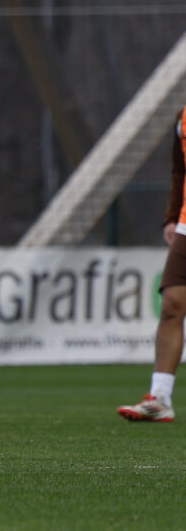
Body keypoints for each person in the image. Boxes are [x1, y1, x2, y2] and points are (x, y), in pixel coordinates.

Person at [118, 107, 186, 422]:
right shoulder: (182, 117)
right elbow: (179, 170)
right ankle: (159, 398)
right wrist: (172, 216)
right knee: (172, 303)